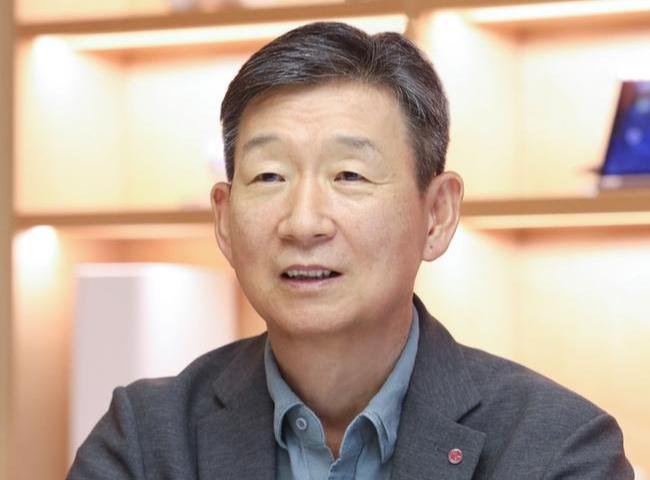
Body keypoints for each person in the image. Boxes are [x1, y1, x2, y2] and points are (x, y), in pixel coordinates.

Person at [67, 22, 633, 479]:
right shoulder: (145, 440)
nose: (303, 223)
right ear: (224, 219)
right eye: (269, 176)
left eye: (350, 175)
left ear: (437, 215)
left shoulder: (556, 448)